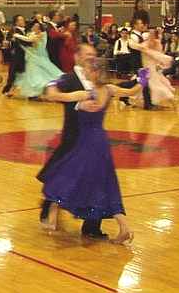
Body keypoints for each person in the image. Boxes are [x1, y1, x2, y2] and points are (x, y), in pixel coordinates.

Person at [41, 58, 141, 244]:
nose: (84, 71)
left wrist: (53, 83)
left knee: (63, 175)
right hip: (101, 141)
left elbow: (55, 96)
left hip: (86, 144)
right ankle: (125, 227)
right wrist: (142, 79)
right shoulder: (110, 90)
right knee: (105, 184)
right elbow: (132, 91)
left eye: (87, 69)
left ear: (95, 72)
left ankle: (52, 215)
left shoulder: (85, 94)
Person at [38, 44, 108, 239]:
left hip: (93, 142)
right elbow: (49, 93)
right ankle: (48, 206)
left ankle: (92, 225)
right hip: (73, 139)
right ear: (77, 57)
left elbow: (118, 90)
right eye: (87, 55)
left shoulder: (98, 79)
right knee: (60, 177)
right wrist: (72, 97)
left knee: (97, 181)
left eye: (93, 55)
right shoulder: (69, 78)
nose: (91, 58)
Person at [11, 21, 63, 98]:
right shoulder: (32, 34)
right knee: (31, 75)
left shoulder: (41, 35)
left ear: (39, 28)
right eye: (34, 26)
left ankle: (37, 93)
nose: (34, 27)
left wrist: (16, 35)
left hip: (38, 59)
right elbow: (28, 42)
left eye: (36, 26)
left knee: (38, 76)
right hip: (31, 58)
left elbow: (29, 40)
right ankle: (34, 94)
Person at [129, 31, 175, 107]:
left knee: (154, 84)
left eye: (152, 34)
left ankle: (170, 100)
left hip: (151, 67)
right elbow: (138, 47)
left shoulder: (155, 43)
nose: (150, 35)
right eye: (150, 34)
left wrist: (159, 64)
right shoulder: (146, 43)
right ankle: (143, 101)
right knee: (144, 84)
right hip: (145, 66)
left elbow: (158, 54)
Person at [2, 15, 28, 95]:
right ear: (16, 22)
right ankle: (8, 89)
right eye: (20, 20)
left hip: (25, 54)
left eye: (23, 19)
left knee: (22, 72)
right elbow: (10, 41)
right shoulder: (14, 30)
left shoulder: (26, 30)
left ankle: (12, 89)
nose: (23, 21)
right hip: (17, 54)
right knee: (13, 72)